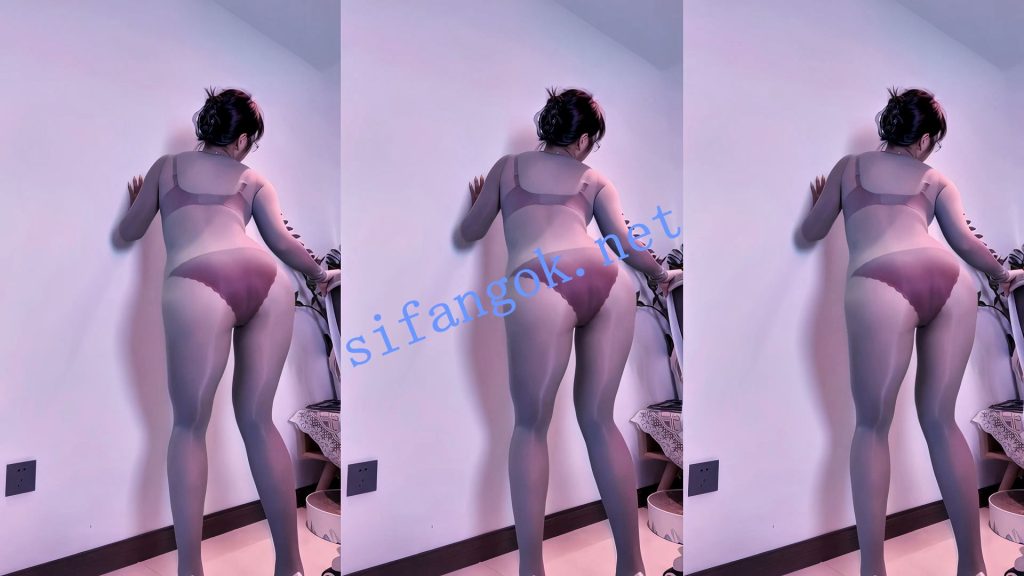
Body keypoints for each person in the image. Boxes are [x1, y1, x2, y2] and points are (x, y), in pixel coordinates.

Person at [459, 87, 681, 576]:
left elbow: (469, 232)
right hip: (606, 279)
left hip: (540, 279)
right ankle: (632, 566)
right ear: (582, 140)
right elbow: (624, 244)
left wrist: (479, 202)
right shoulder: (595, 179)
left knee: (529, 427)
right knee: (600, 421)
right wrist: (662, 273)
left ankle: (531, 569)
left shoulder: (507, 169)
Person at [800, 87, 1022, 576]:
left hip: (880, 279)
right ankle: (973, 567)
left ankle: (873, 570)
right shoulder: (936, 180)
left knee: (870, 427)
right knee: (941, 422)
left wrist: (821, 202)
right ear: (924, 140)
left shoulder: (848, 168)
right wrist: (1003, 274)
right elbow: (965, 243)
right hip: (950, 280)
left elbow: (810, 232)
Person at [118, 88, 339, 576]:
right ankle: (291, 567)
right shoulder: (254, 179)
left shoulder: (166, 169)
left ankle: (190, 570)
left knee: (188, 427)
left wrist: (138, 202)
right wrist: (322, 275)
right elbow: (283, 244)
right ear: (241, 140)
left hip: (198, 280)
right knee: (258, 421)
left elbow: (128, 232)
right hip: (266, 279)